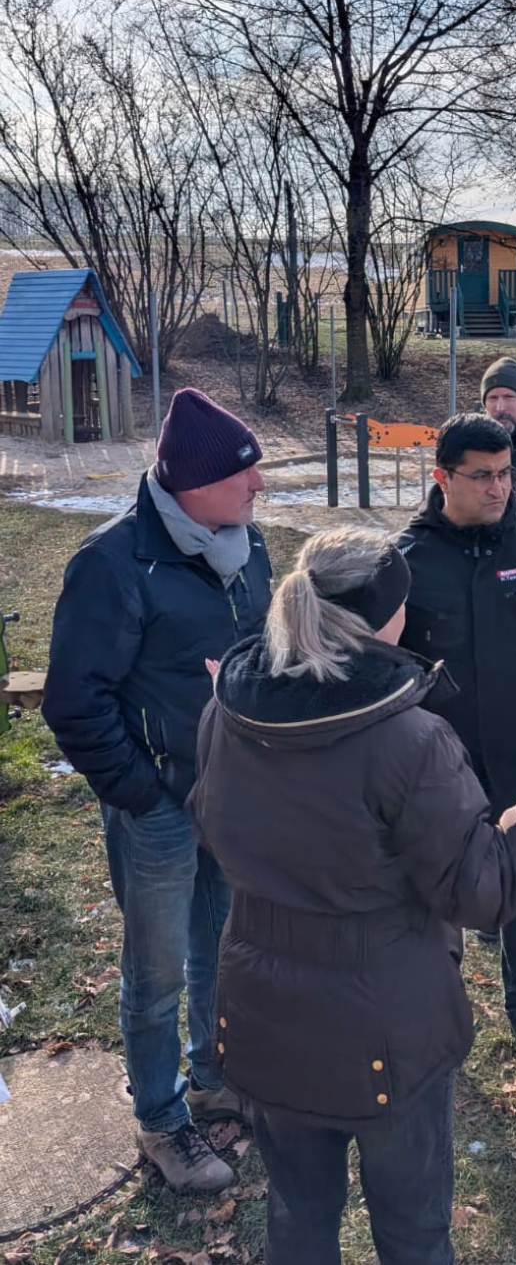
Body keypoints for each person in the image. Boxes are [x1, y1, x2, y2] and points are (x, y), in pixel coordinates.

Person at [188, 529, 516, 1265]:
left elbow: (210, 825)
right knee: (413, 1234)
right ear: (387, 617)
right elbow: (484, 891)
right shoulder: (408, 739)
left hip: (261, 1019)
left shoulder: (227, 712)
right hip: (386, 1028)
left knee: (297, 1221)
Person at [42, 388, 272, 1193]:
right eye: (245, 473)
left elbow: (259, 656)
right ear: (196, 484)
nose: (260, 485)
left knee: (221, 949)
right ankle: (160, 1116)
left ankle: (212, 1077)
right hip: (157, 810)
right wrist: (142, 793)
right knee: (157, 972)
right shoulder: (113, 564)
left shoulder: (248, 545)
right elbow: (75, 703)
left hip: (229, 798)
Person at [394, 413, 516, 1088]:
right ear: (442, 478)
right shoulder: (405, 562)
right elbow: (381, 670)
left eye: (506, 473)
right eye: (482, 476)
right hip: (436, 775)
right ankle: (436, 1023)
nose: (499, 488)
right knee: (431, 903)